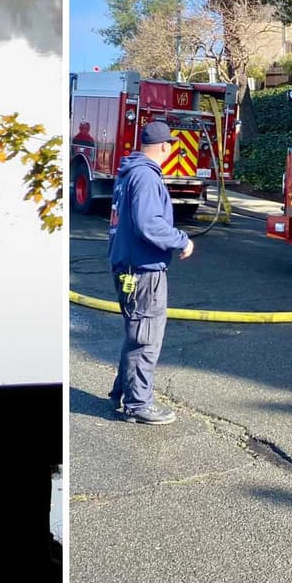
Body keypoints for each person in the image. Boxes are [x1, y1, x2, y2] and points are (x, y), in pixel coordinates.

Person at [106, 120, 194, 425]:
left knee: (136, 331)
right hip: (143, 270)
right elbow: (148, 224)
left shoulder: (129, 173)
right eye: (170, 145)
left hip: (127, 266)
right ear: (165, 148)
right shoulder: (145, 176)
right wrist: (181, 240)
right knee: (146, 337)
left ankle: (122, 392)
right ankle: (138, 404)